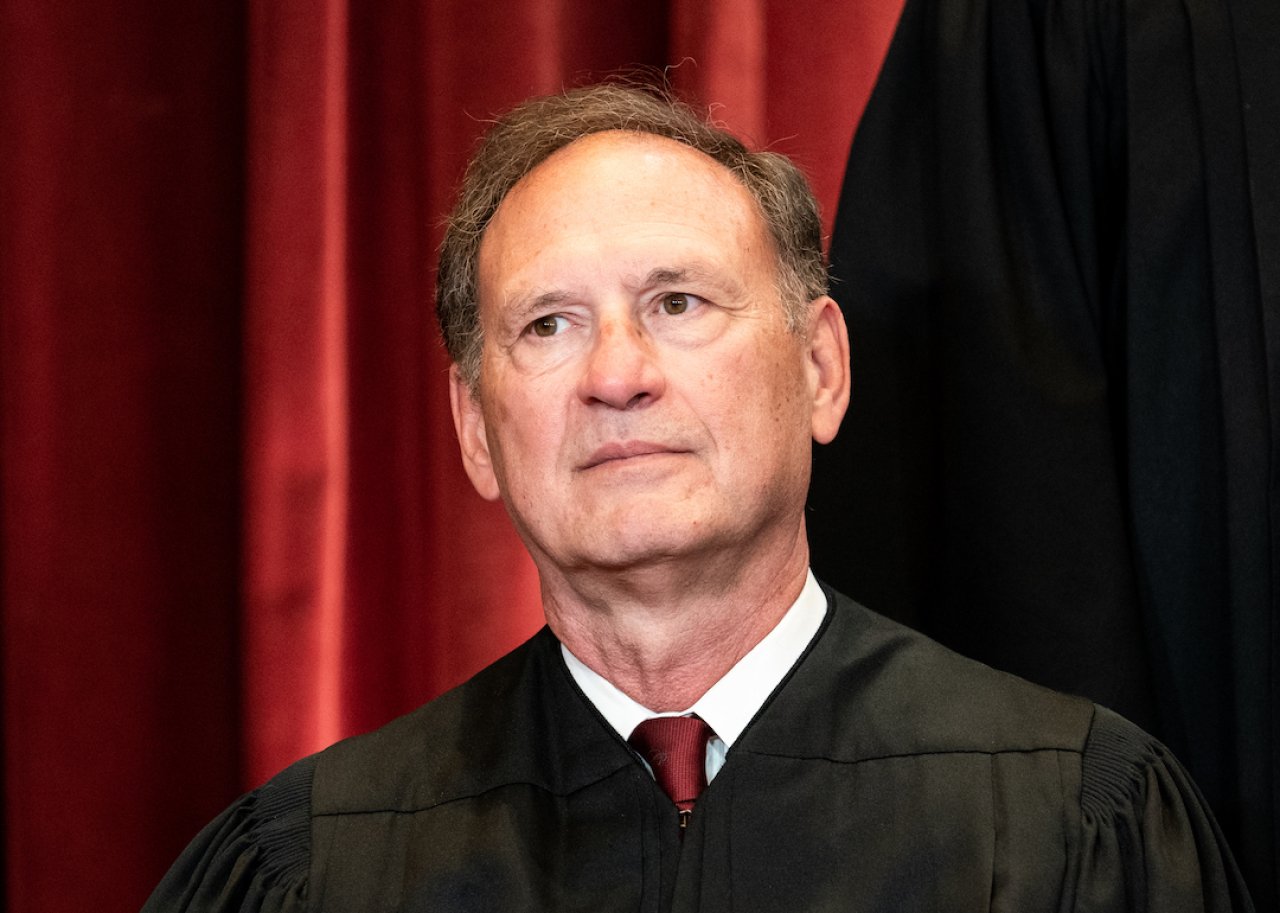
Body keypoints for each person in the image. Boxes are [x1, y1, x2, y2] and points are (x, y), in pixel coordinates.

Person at [143, 83, 1254, 912]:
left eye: (676, 301)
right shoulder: (316, 867)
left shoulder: (1073, 826)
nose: (616, 373)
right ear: (476, 430)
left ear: (819, 368)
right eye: (547, 324)